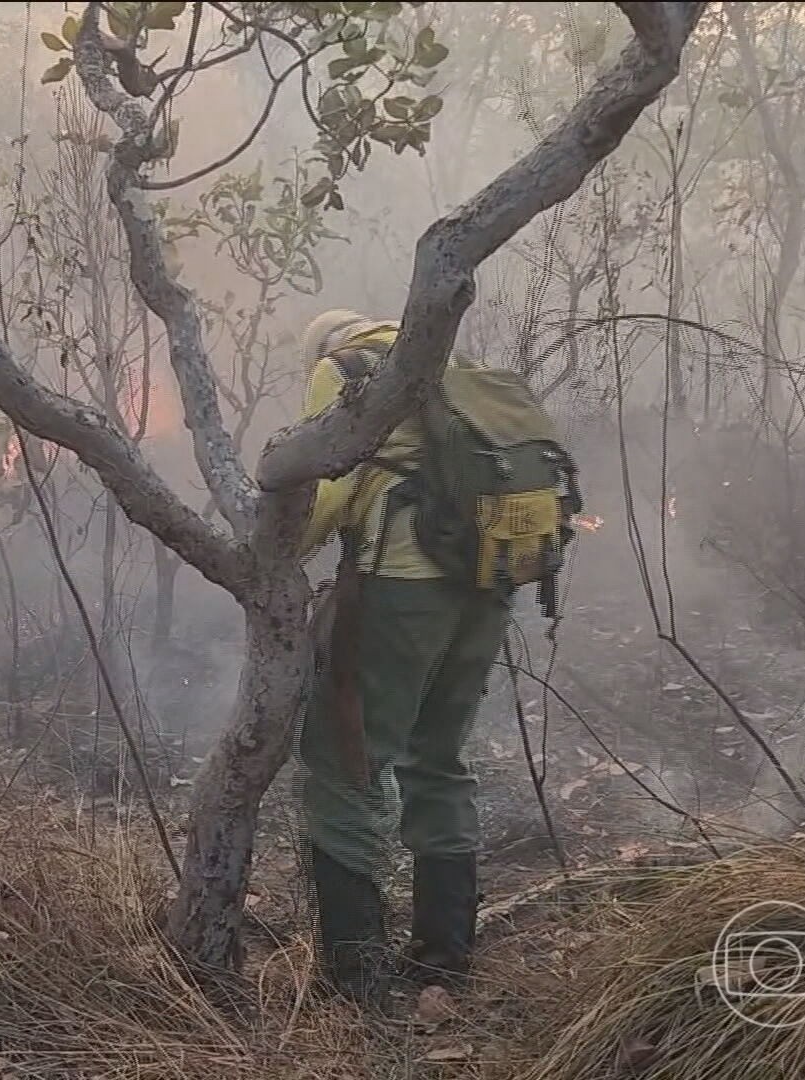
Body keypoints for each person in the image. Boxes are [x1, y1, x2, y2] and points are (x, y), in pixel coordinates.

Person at [294, 309, 509, 1014]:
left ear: (327, 347)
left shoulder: (346, 372)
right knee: (438, 757)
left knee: (344, 763)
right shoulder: (459, 369)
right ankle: (446, 955)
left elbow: (323, 495)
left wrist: (269, 554)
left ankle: (355, 976)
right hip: (488, 584)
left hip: (400, 589)